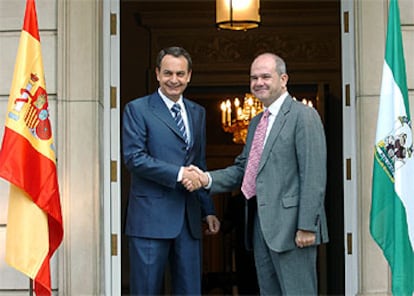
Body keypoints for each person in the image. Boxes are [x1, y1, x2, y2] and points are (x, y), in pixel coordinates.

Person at [185, 52, 328, 295]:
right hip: (261, 228)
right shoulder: (256, 123)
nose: (258, 82)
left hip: (294, 229)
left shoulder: (303, 115)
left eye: (265, 76)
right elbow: (244, 170)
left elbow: (313, 174)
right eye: (254, 78)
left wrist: (307, 226)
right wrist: (206, 179)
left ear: (283, 79)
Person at [122, 46, 220, 295]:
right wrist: (179, 174)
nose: (173, 80)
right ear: (157, 74)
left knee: (189, 291)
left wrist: (208, 210)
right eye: (168, 73)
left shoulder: (197, 113)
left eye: (180, 74)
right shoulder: (137, 109)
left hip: (189, 219)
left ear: (189, 76)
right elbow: (134, 158)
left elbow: (199, 162)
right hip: (149, 220)